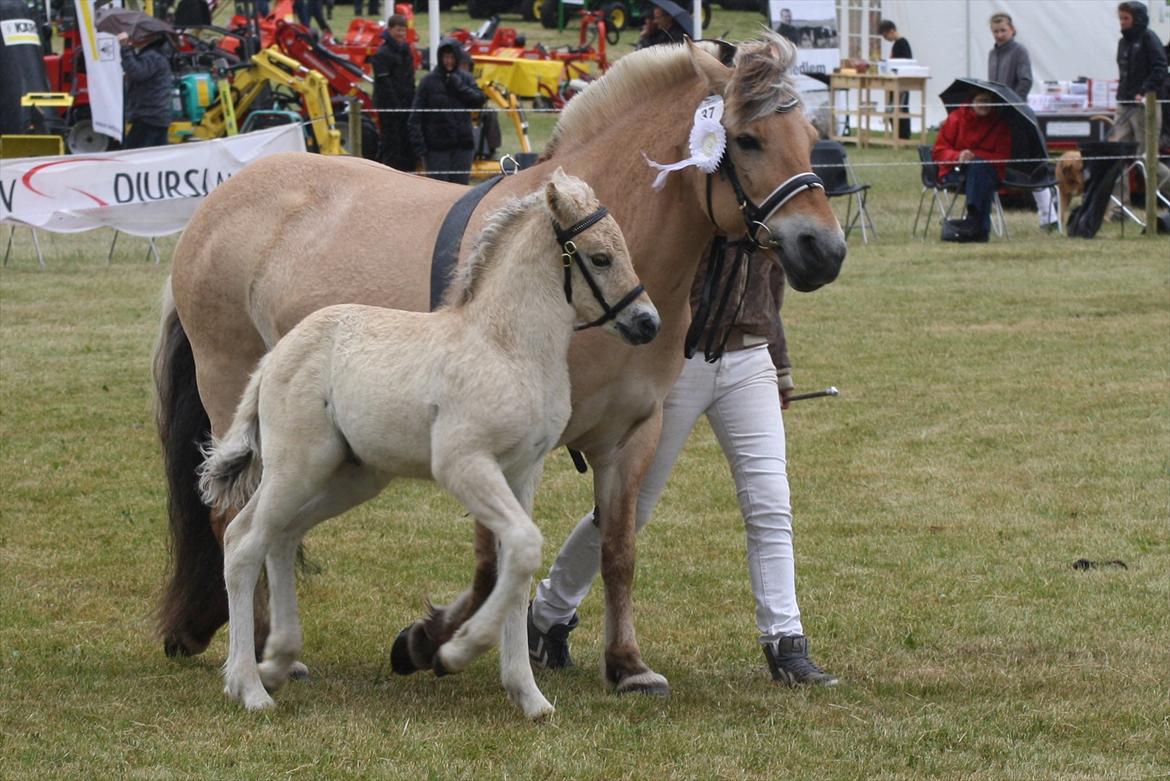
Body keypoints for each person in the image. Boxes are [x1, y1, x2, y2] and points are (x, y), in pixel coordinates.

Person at [528, 241, 838, 688]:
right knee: (629, 507)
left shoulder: (759, 190)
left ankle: (786, 643)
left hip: (750, 356)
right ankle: (548, 613)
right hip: (680, 358)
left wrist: (781, 363)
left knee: (771, 502)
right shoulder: (697, 179)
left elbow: (771, 276)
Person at [987, 12, 1055, 230]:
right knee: (993, 161)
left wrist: (1013, 103)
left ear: (1012, 30)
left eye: (1003, 31)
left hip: (1018, 115)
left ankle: (1048, 215)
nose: (999, 35)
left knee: (1030, 165)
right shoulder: (992, 54)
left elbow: (1025, 80)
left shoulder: (1019, 51)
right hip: (999, 116)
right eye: (996, 31)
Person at [1108, 1, 1170, 204]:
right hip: (1124, 104)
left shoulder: (1149, 39)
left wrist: (1144, 91)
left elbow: (1160, 67)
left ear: (1137, 19)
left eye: (1126, 18)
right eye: (1121, 18)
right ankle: (1118, 207)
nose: (1122, 23)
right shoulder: (1122, 42)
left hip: (1146, 106)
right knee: (1115, 154)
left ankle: (1163, 193)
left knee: (1146, 158)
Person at [933, 89, 1013, 243]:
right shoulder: (955, 119)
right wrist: (958, 156)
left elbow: (1003, 157)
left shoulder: (1000, 125)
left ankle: (973, 220)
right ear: (971, 101)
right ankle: (979, 227)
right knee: (980, 172)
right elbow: (938, 152)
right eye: (981, 100)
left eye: (988, 101)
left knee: (979, 167)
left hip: (988, 172)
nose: (985, 105)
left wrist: (977, 156)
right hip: (955, 171)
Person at [408, 38, 485, 185]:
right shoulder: (428, 81)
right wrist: (421, 149)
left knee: (460, 191)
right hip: (436, 148)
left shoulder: (465, 78)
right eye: (445, 57)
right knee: (438, 191)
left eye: (452, 57)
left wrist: (461, 87)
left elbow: (479, 100)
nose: (448, 61)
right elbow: (415, 117)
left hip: (463, 146)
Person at [371, 14, 416, 171]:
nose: (401, 34)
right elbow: (385, 84)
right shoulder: (382, 54)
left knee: (405, 141)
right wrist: (396, 106)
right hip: (390, 107)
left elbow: (410, 78)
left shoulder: (406, 50)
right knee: (391, 142)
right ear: (390, 30)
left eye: (403, 30)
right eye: (398, 30)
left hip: (406, 103)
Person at [116, 32, 174, 149]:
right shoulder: (154, 54)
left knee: (135, 155)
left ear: (148, 38)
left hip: (149, 116)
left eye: (137, 34)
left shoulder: (152, 56)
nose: (132, 37)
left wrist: (125, 47)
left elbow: (136, 72)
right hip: (154, 115)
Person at [878, 20, 912, 140]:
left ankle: (903, 136)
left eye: (885, 35)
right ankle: (897, 134)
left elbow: (906, 63)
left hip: (901, 82)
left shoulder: (902, 43)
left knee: (900, 107)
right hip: (895, 81)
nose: (885, 38)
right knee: (892, 107)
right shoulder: (897, 44)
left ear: (891, 31)